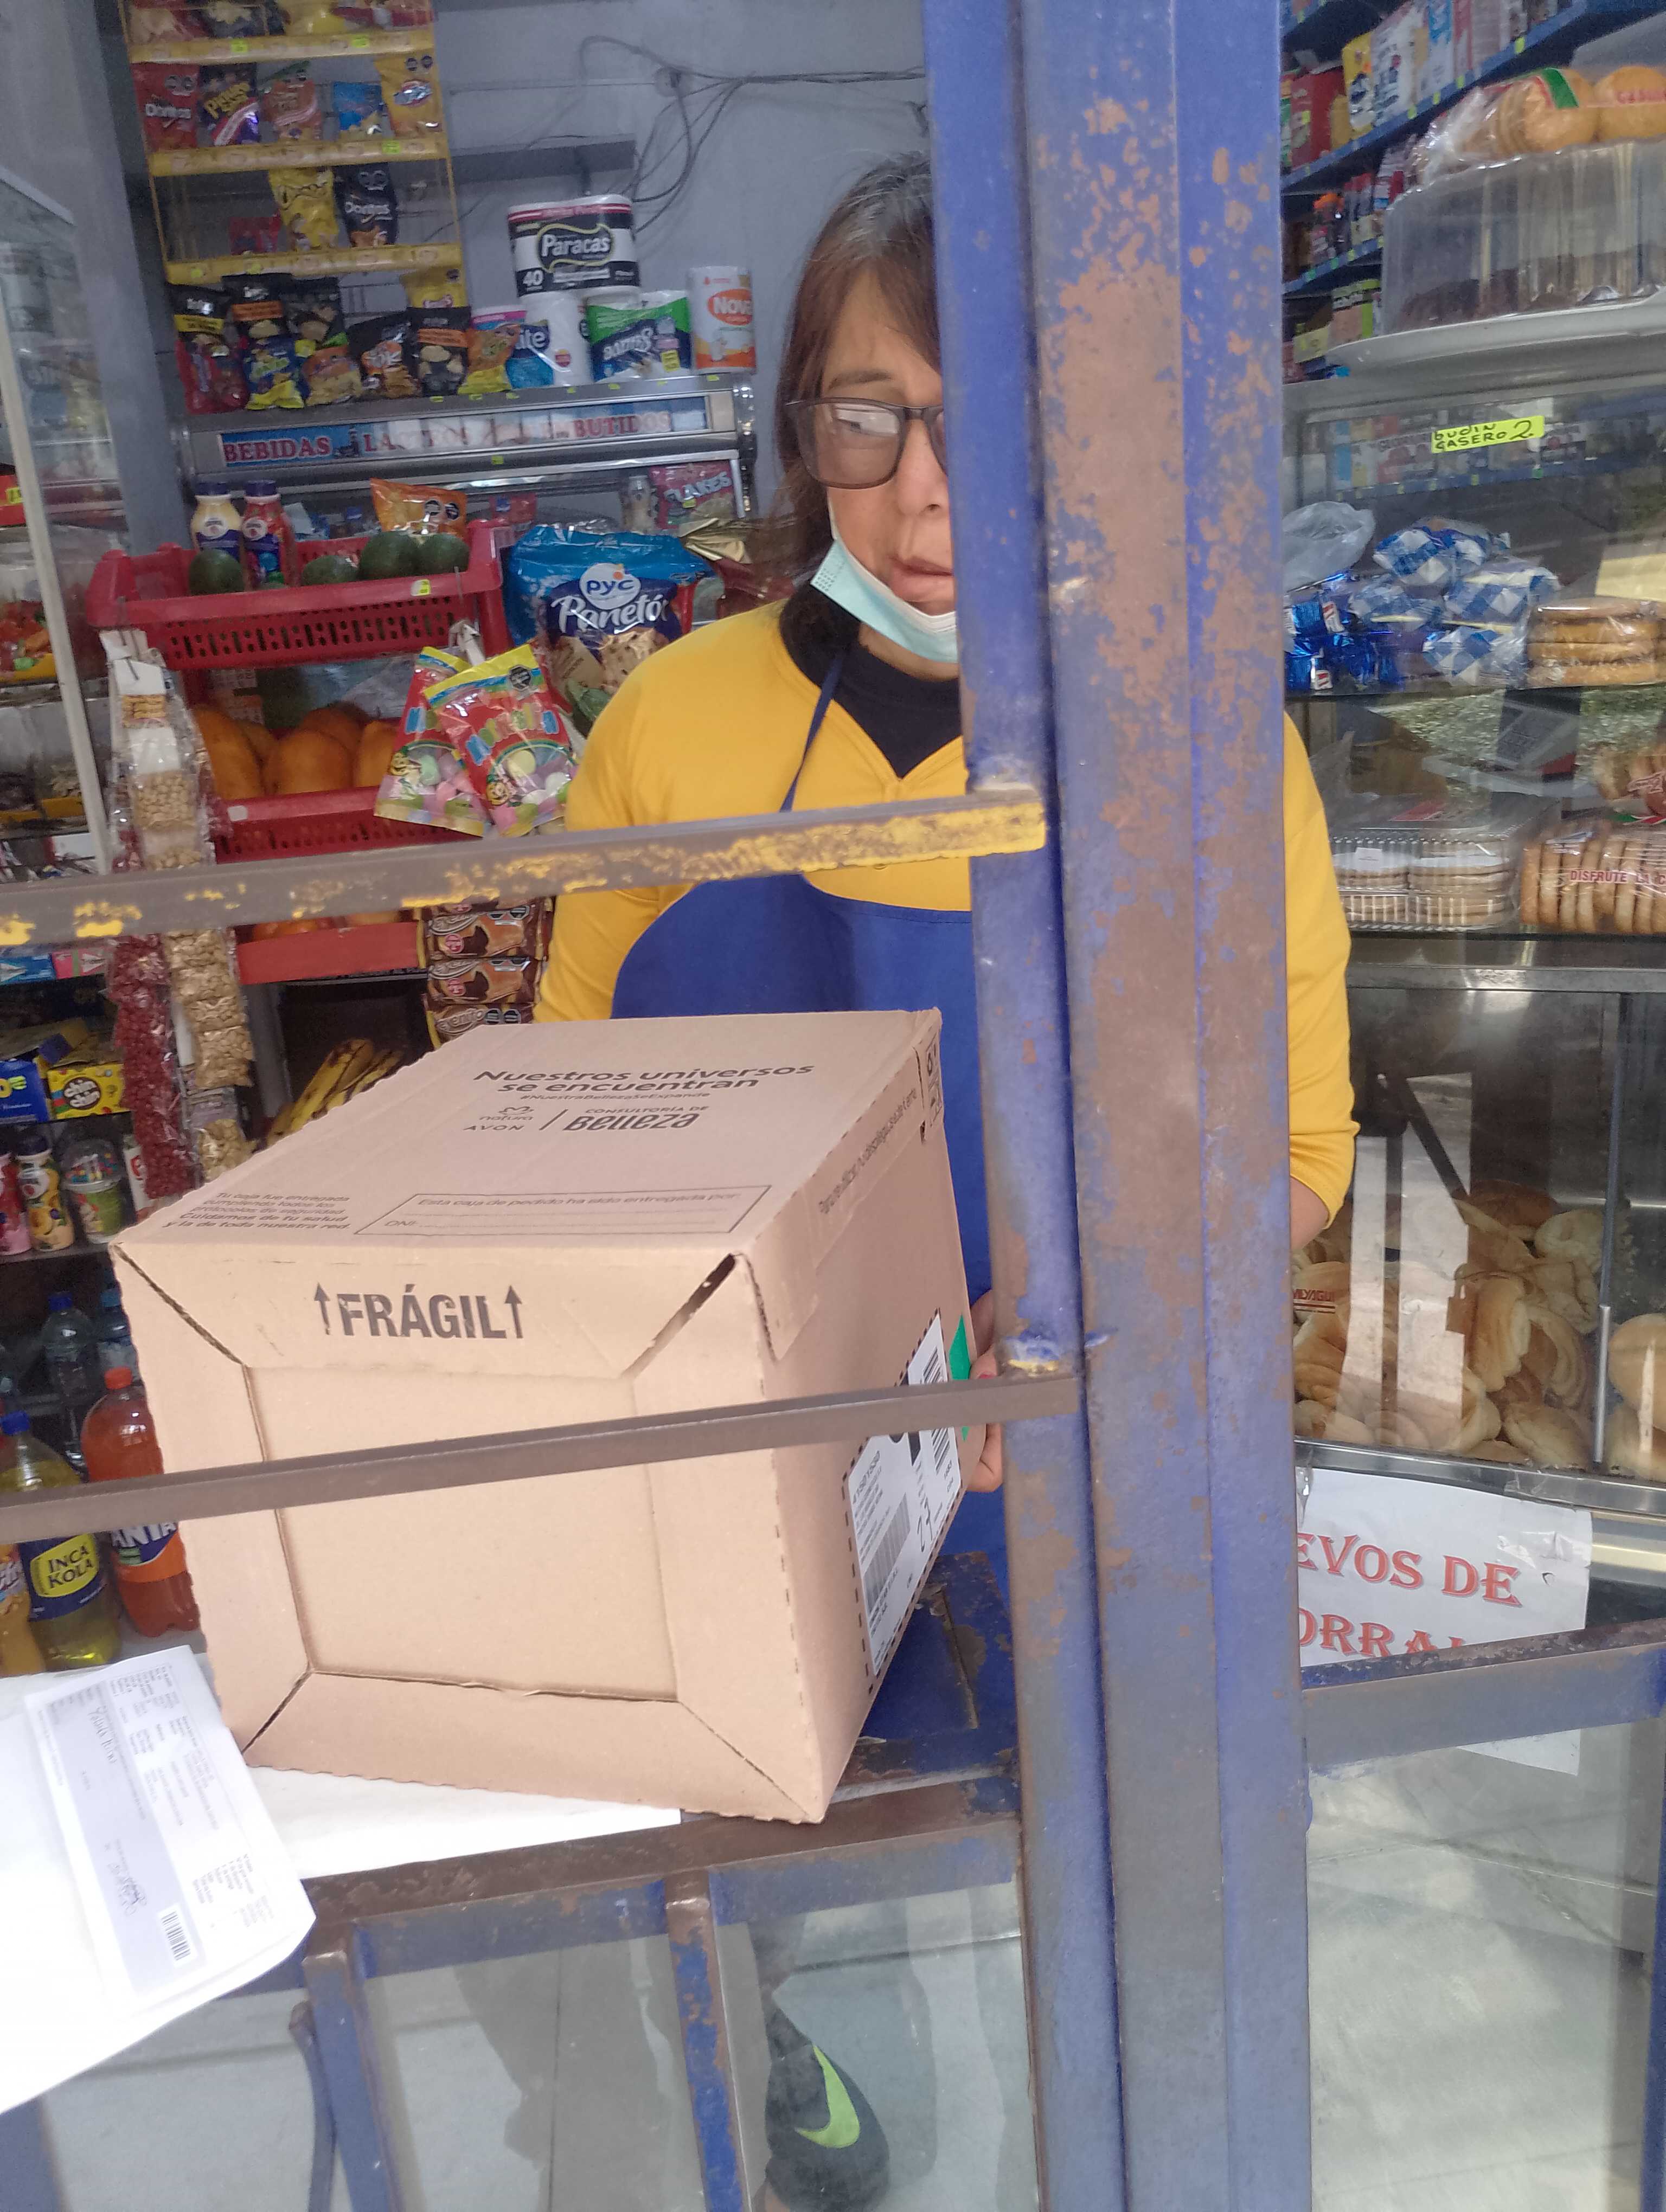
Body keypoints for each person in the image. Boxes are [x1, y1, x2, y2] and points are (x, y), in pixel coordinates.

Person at [535, 151, 1355, 2210]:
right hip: (752, 1476)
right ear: (800, 431)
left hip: (1084, 1478)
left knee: (1076, 1926)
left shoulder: (1197, 738)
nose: (924, 494)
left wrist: (1065, 1334)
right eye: (867, 417)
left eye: (986, 423)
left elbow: (1295, 1153)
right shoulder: (669, 727)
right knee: (765, 1889)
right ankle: (790, 2079)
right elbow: (565, 1126)